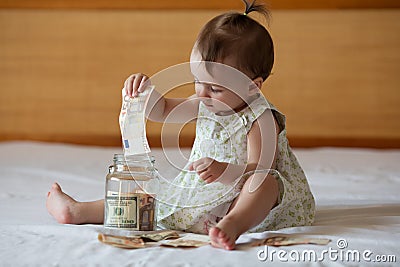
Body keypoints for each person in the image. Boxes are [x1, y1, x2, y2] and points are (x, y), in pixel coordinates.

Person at [46, 0, 315, 250]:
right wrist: (144, 92)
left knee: (264, 184)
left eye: (215, 88)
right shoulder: (204, 101)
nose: (202, 93)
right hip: (201, 199)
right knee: (147, 196)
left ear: (252, 87)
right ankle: (79, 211)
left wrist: (226, 170)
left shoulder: (260, 118)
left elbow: (261, 167)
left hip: (248, 204)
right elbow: (162, 111)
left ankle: (233, 225)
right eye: (198, 81)